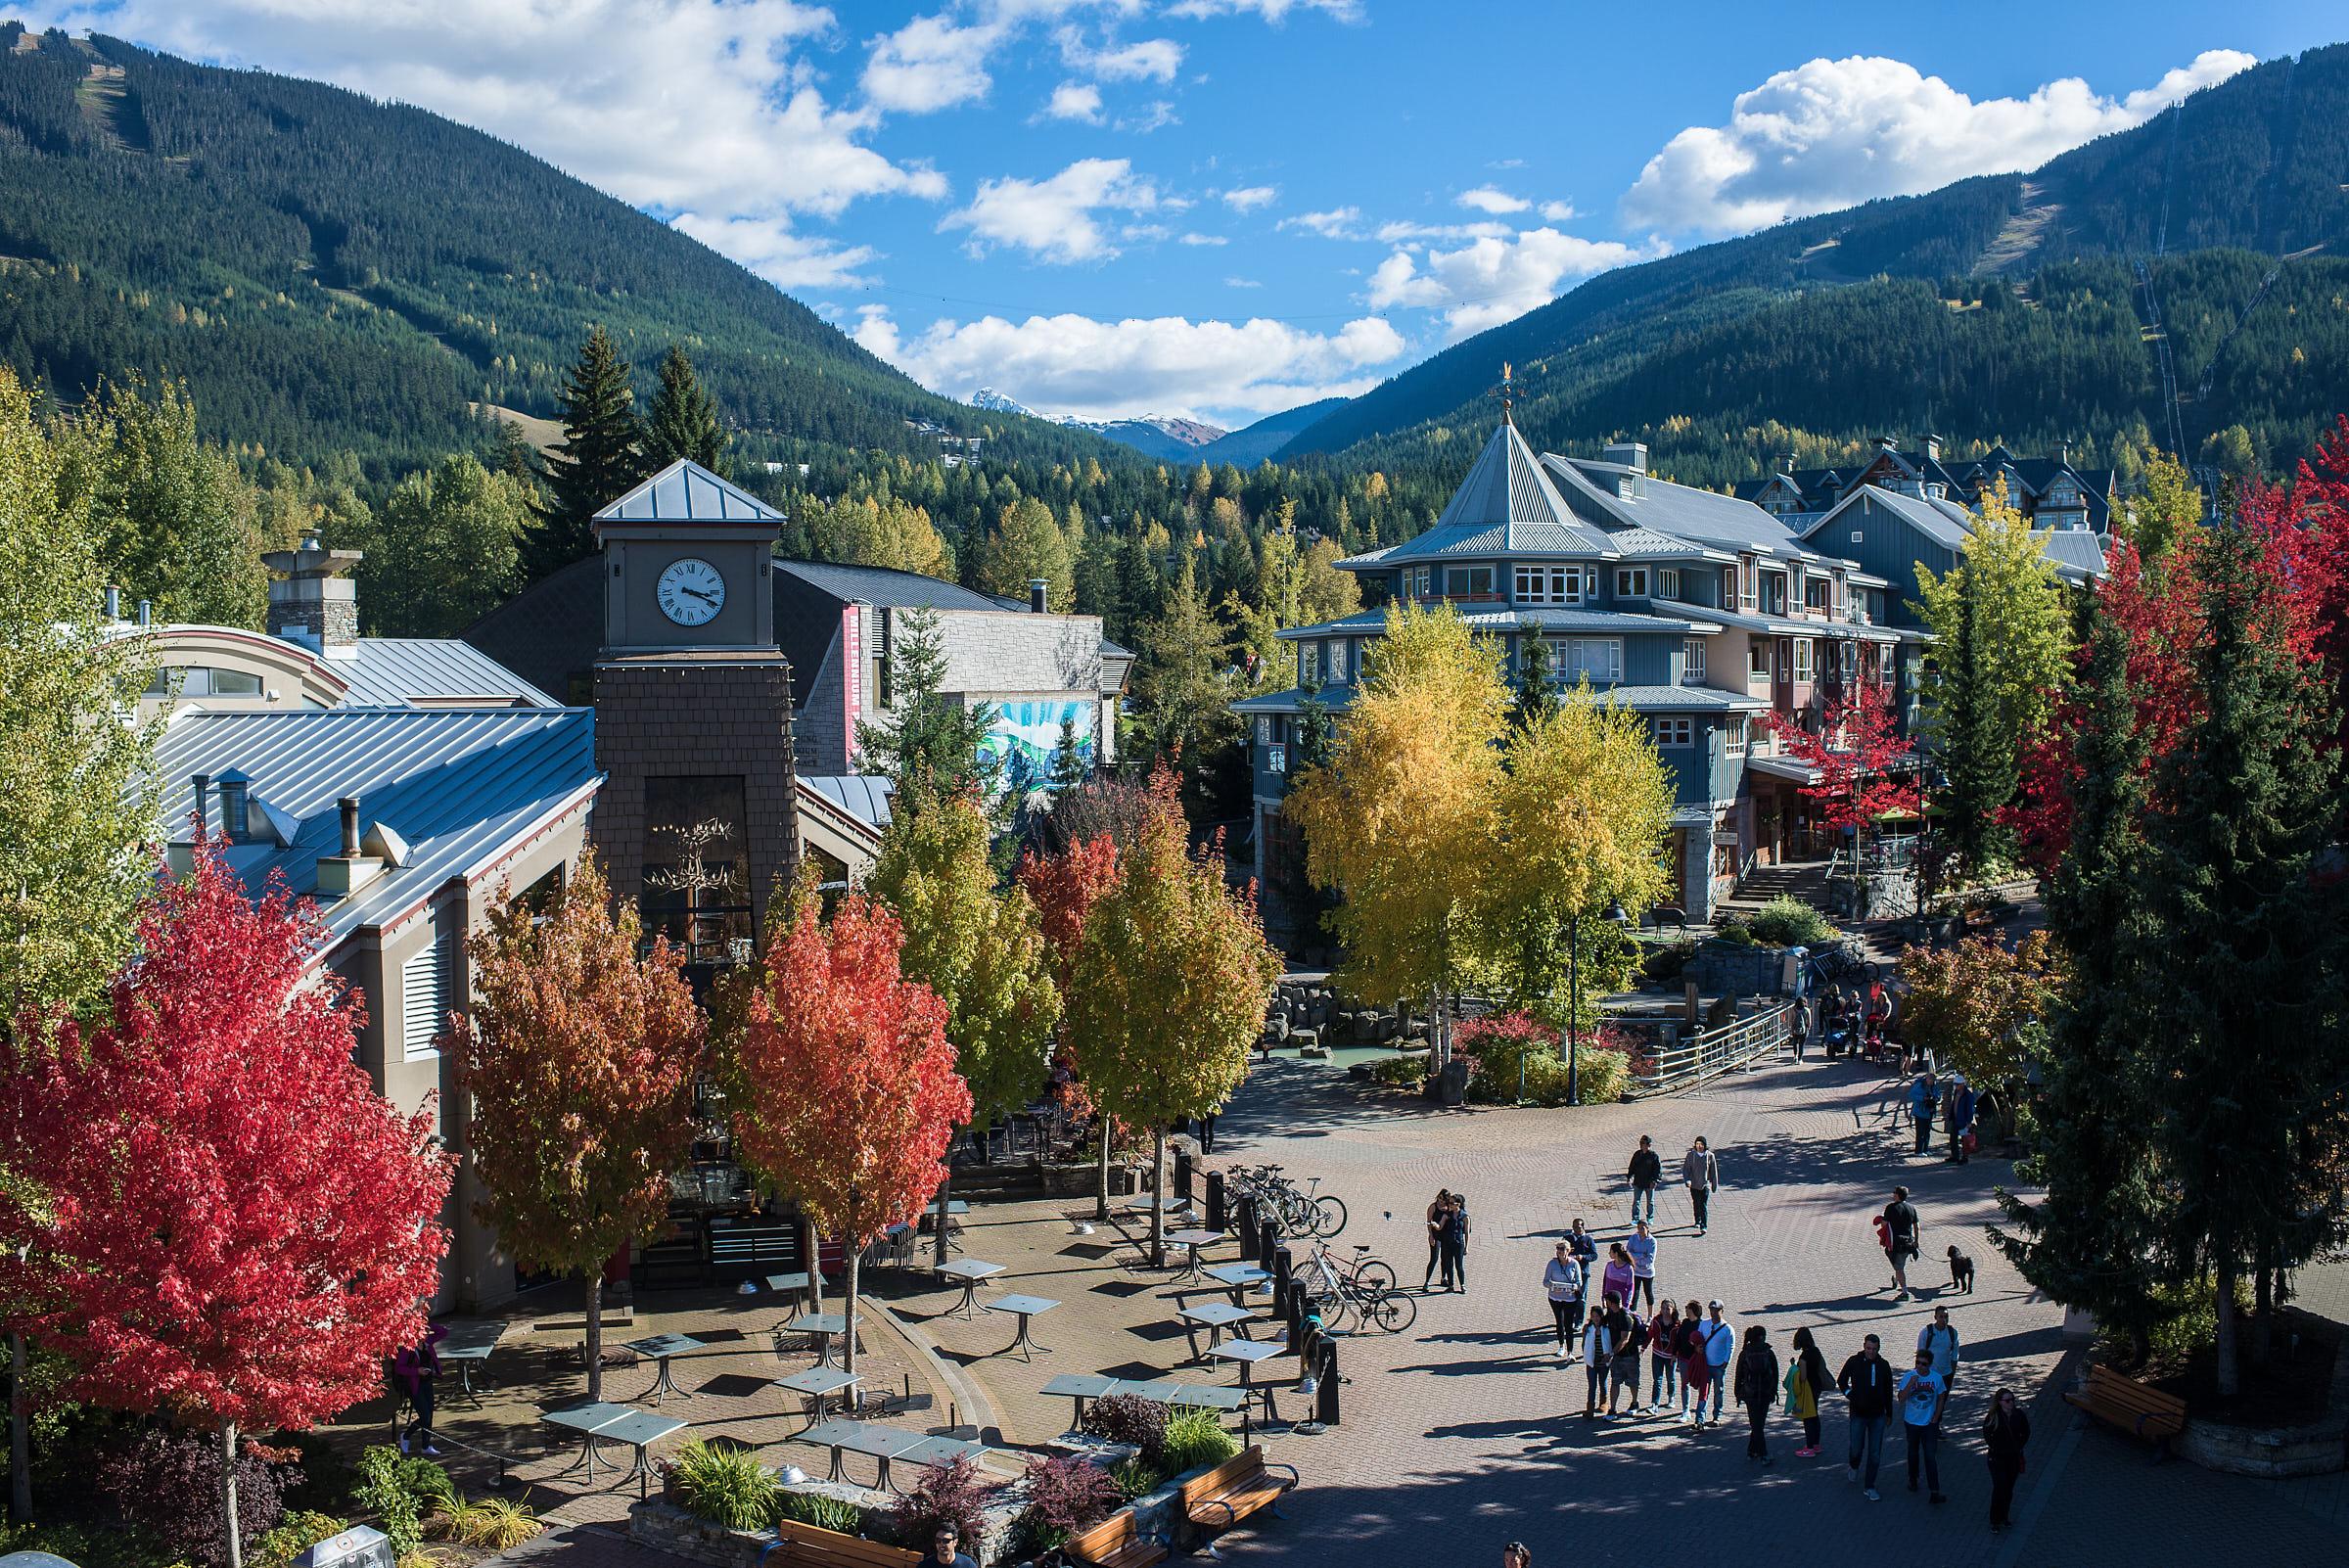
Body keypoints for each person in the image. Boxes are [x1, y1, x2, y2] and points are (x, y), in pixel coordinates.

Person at [1837, 1331, 1896, 1499]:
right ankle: (1854, 1465)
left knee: (1875, 1452)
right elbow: (1841, 1380)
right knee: (1856, 1448)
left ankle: (1870, 1486)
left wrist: (1889, 1413)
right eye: (1868, 1348)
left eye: (1874, 1349)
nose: (1871, 1352)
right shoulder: (1854, 1361)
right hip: (1858, 1414)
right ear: (1864, 1347)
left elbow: (1888, 1390)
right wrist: (1851, 1395)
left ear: (1879, 1349)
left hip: (1877, 1416)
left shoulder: (1883, 1365)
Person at [1899, 1346, 1949, 1503]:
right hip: (1912, 1423)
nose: (1920, 1367)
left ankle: (1934, 1491)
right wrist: (1910, 1384)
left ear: (1930, 1365)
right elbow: (1901, 1399)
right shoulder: (1908, 1377)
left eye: (1924, 1364)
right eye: (1918, 1363)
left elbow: (1941, 1397)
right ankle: (1913, 1478)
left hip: (1929, 1425)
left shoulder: (1936, 1378)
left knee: (1930, 1457)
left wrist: (1936, 1418)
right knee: (1913, 1453)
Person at [393, 1321, 446, 1456]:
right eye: (422, 1332)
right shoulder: (408, 1349)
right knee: (425, 1415)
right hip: (414, 1386)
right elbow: (399, 1368)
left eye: (425, 1332)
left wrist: (427, 1324)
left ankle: (426, 1445)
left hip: (427, 1383)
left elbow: (444, 1332)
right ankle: (406, 1436)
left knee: (429, 1414)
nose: (425, 1334)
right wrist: (417, 1371)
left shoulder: (428, 1343)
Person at [1983, 1387, 2031, 1532]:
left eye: (2012, 1400)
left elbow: (2026, 1432)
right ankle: (1995, 1520)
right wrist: (1997, 1447)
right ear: (2000, 1402)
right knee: (2000, 1487)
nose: (2011, 1403)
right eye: (2007, 1400)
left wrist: (2019, 1445)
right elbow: (1987, 1435)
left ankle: (2004, 1516)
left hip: (2013, 1458)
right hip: (1997, 1458)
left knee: (2009, 1489)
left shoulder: (2019, 1415)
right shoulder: (1993, 1417)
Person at [1733, 1324, 1779, 1463]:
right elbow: (1775, 1373)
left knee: (1756, 1424)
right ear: (1762, 1337)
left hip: (1750, 1394)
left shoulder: (1745, 1353)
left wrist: (1737, 1393)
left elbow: (1738, 1374)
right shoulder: (1768, 1353)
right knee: (1759, 1424)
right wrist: (1774, 1391)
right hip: (1765, 1393)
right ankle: (1763, 1454)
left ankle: (1751, 1451)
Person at [1785, 1325, 1831, 1457]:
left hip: (1808, 1390)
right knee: (1815, 1415)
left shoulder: (1804, 1357)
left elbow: (1803, 1377)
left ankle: (1809, 1447)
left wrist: (1795, 1367)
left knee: (1808, 1418)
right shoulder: (1816, 1351)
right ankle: (1816, 1444)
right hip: (1817, 1386)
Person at [1603, 1290, 1643, 1418]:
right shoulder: (1610, 1314)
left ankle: (1634, 1403)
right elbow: (1601, 1323)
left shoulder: (1626, 1317)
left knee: (1632, 1382)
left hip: (1629, 1355)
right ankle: (1613, 1409)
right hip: (1617, 1356)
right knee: (1615, 1381)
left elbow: (1624, 1339)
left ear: (1610, 1302)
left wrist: (1611, 1353)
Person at [1543, 1241, 1585, 1360]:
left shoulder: (1574, 1264)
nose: (1560, 1252)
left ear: (1569, 1250)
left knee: (1568, 1323)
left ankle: (1570, 1352)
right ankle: (1561, 1346)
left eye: (1563, 1249)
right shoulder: (1552, 1264)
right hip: (1555, 1298)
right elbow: (1545, 1282)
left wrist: (1575, 1287)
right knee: (1559, 1322)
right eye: (1558, 1249)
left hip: (1570, 1298)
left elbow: (1579, 1281)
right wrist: (1551, 1285)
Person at [1672, 1300, 1709, 1425]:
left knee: (1698, 1384)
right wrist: (1674, 1354)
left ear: (1693, 1310)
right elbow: (1678, 1339)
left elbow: (1703, 1343)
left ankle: (1701, 1408)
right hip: (1683, 1358)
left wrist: (1697, 1349)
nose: (1685, 1310)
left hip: (1696, 1360)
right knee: (1684, 1384)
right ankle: (1685, 1411)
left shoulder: (1701, 1325)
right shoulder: (1685, 1323)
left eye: (1687, 1308)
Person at [1881, 1185, 1920, 1301]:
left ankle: (1904, 1292)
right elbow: (1916, 1226)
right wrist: (1916, 1241)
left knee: (1899, 1267)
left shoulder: (1891, 1208)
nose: (1892, 1194)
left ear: (1897, 1195)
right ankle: (1896, 1279)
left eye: (1894, 1193)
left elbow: (1884, 1224)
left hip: (1896, 1243)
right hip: (1909, 1242)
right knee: (1900, 1263)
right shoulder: (1911, 1208)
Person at [1702, 1299, 1736, 1424]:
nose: (1713, 1313)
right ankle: (1701, 1417)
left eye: (1717, 1310)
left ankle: (1717, 1415)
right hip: (1705, 1364)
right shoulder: (1704, 1324)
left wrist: (1726, 1362)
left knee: (1718, 1391)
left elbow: (1730, 1347)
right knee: (1704, 1392)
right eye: (1711, 1310)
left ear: (1722, 1311)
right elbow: (1698, 1339)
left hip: (1719, 1366)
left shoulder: (1728, 1329)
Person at [1647, 1298, 1681, 1412]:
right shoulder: (1656, 1321)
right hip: (1657, 1353)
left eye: (1668, 1309)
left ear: (1673, 1310)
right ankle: (1654, 1404)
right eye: (1663, 1308)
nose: (1665, 1311)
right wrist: (1643, 1347)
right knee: (1657, 1379)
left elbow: (1678, 1343)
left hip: (1670, 1356)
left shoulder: (1677, 1326)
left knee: (1670, 1378)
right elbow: (1650, 1334)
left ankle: (1671, 1398)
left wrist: (1676, 1356)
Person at [1581, 1304, 1613, 1418]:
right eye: (1593, 1316)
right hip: (1592, 1363)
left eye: (1597, 1316)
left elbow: (1610, 1345)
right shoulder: (1589, 1330)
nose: (1595, 1318)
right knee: (1592, 1386)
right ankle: (1590, 1409)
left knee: (1602, 1383)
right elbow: (1585, 1344)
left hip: (1603, 1363)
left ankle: (1603, 1403)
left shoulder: (1607, 1330)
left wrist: (1609, 1356)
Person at [1681, 1136, 1719, 1234]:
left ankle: (1703, 1225)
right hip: (1694, 1185)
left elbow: (1713, 1172)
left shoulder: (1710, 1156)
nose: (1699, 1146)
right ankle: (1697, 1220)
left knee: (1703, 1205)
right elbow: (1686, 1169)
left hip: (1705, 1185)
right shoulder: (1691, 1156)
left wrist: (1714, 1185)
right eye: (1697, 1144)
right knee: (1696, 1203)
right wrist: (1687, 1180)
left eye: (1701, 1144)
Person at [1627, 1135, 1662, 1222]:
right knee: (1636, 1201)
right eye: (1643, 1144)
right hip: (1638, 1182)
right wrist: (1629, 1177)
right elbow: (1632, 1167)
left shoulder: (1654, 1156)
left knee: (1650, 1202)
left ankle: (1650, 1217)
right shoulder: (1637, 1155)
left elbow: (1658, 1171)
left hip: (1649, 1183)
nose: (1645, 1146)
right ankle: (1635, 1218)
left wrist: (1655, 1181)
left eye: (1647, 1144)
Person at [1626, 1219, 1658, 1311]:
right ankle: (1632, 1314)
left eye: (1642, 1228)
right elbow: (1628, 1254)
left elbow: (1649, 1259)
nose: (1640, 1230)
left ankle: (1650, 1315)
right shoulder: (1633, 1238)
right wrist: (1641, 1255)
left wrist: (1635, 1258)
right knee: (1634, 1294)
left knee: (1648, 1293)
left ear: (1647, 1229)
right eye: (1638, 1228)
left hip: (1647, 1272)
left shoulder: (1652, 1241)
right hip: (1635, 1271)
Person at [1424, 1188, 1453, 1290]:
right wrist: (1431, 1236)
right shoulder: (1433, 1207)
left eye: (1443, 1199)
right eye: (1439, 1198)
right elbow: (1429, 1222)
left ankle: (1443, 1278)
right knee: (1434, 1258)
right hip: (1436, 1235)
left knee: (1445, 1258)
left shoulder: (1449, 1207)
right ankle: (1426, 1282)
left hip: (1446, 1236)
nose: (1440, 1200)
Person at [1441, 1194, 1471, 1293]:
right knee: (1449, 1264)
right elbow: (1440, 1226)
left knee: (1459, 1265)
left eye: (1452, 1203)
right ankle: (1451, 1285)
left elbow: (1466, 1233)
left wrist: (1467, 1247)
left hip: (1458, 1244)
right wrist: (1435, 1225)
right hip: (1448, 1243)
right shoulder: (1447, 1215)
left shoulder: (1465, 1217)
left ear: (1458, 1204)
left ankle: (1462, 1285)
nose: (1450, 1205)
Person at [1908, 1072, 1940, 1155]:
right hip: (1920, 1112)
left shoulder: (1933, 1086)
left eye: (1933, 1081)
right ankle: (1919, 1151)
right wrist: (1923, 1098)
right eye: (1931, 1080)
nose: (1932, 1082)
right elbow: (1911, 1095)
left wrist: (1936, 1098)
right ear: (1927, 1079)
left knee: (1927, 1132)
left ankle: (1926, 1149)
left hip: (1929, 1112)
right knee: (1920, 1132)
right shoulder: (1919, 1085)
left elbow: (1937, 1093)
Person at [1565, 1217, 1599, 1295]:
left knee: (1581, 1296)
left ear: (1583, 1228)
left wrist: (1583, 1257)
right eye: (1574, 1227)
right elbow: (1560, 1251)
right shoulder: (1567, 1238)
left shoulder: (1588, 1239)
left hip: (1582, 1272)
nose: (1576, 1229)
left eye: (1578, 1227)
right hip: (1569, 1271)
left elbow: (1594, 1255)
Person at [1600, 1242, 1635, 1316]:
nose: (1609, 1253)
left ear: (1616, 1253)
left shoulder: (1628, 1268)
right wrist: (1603, 1298)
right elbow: (1605, 1283)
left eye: (1611, 1251)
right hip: (1610, 1301)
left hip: (1621, 1303)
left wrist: (1627, 1303)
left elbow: (1630, 1287)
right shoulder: (1609, 1265)